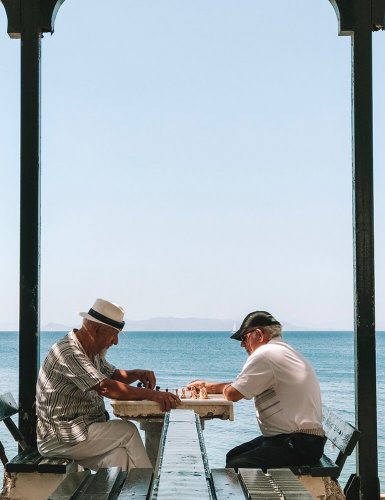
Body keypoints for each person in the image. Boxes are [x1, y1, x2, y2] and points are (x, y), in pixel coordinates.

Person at [36, 298, 180, 471]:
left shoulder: (91, 350)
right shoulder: (68, 352)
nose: (116, 341)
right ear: (96, 330)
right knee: (128, 431)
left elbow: (113, 375)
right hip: (60, 437)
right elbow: (105, 387)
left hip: (80, 432)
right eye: (113, 334)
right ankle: (151, 489)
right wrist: (154, 395)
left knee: (120, 457)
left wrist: (137, 373)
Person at [188, 310, 324, 470]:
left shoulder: (265, 354)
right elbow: (238, 387)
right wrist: (208, 386)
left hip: (296, 443)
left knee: (237, 465)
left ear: (258, 334)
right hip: (302, 441)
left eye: (244, 338)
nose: (242, 344)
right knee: (233, 456)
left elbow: (233, 394)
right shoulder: (282, 350)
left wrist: (209, 387)